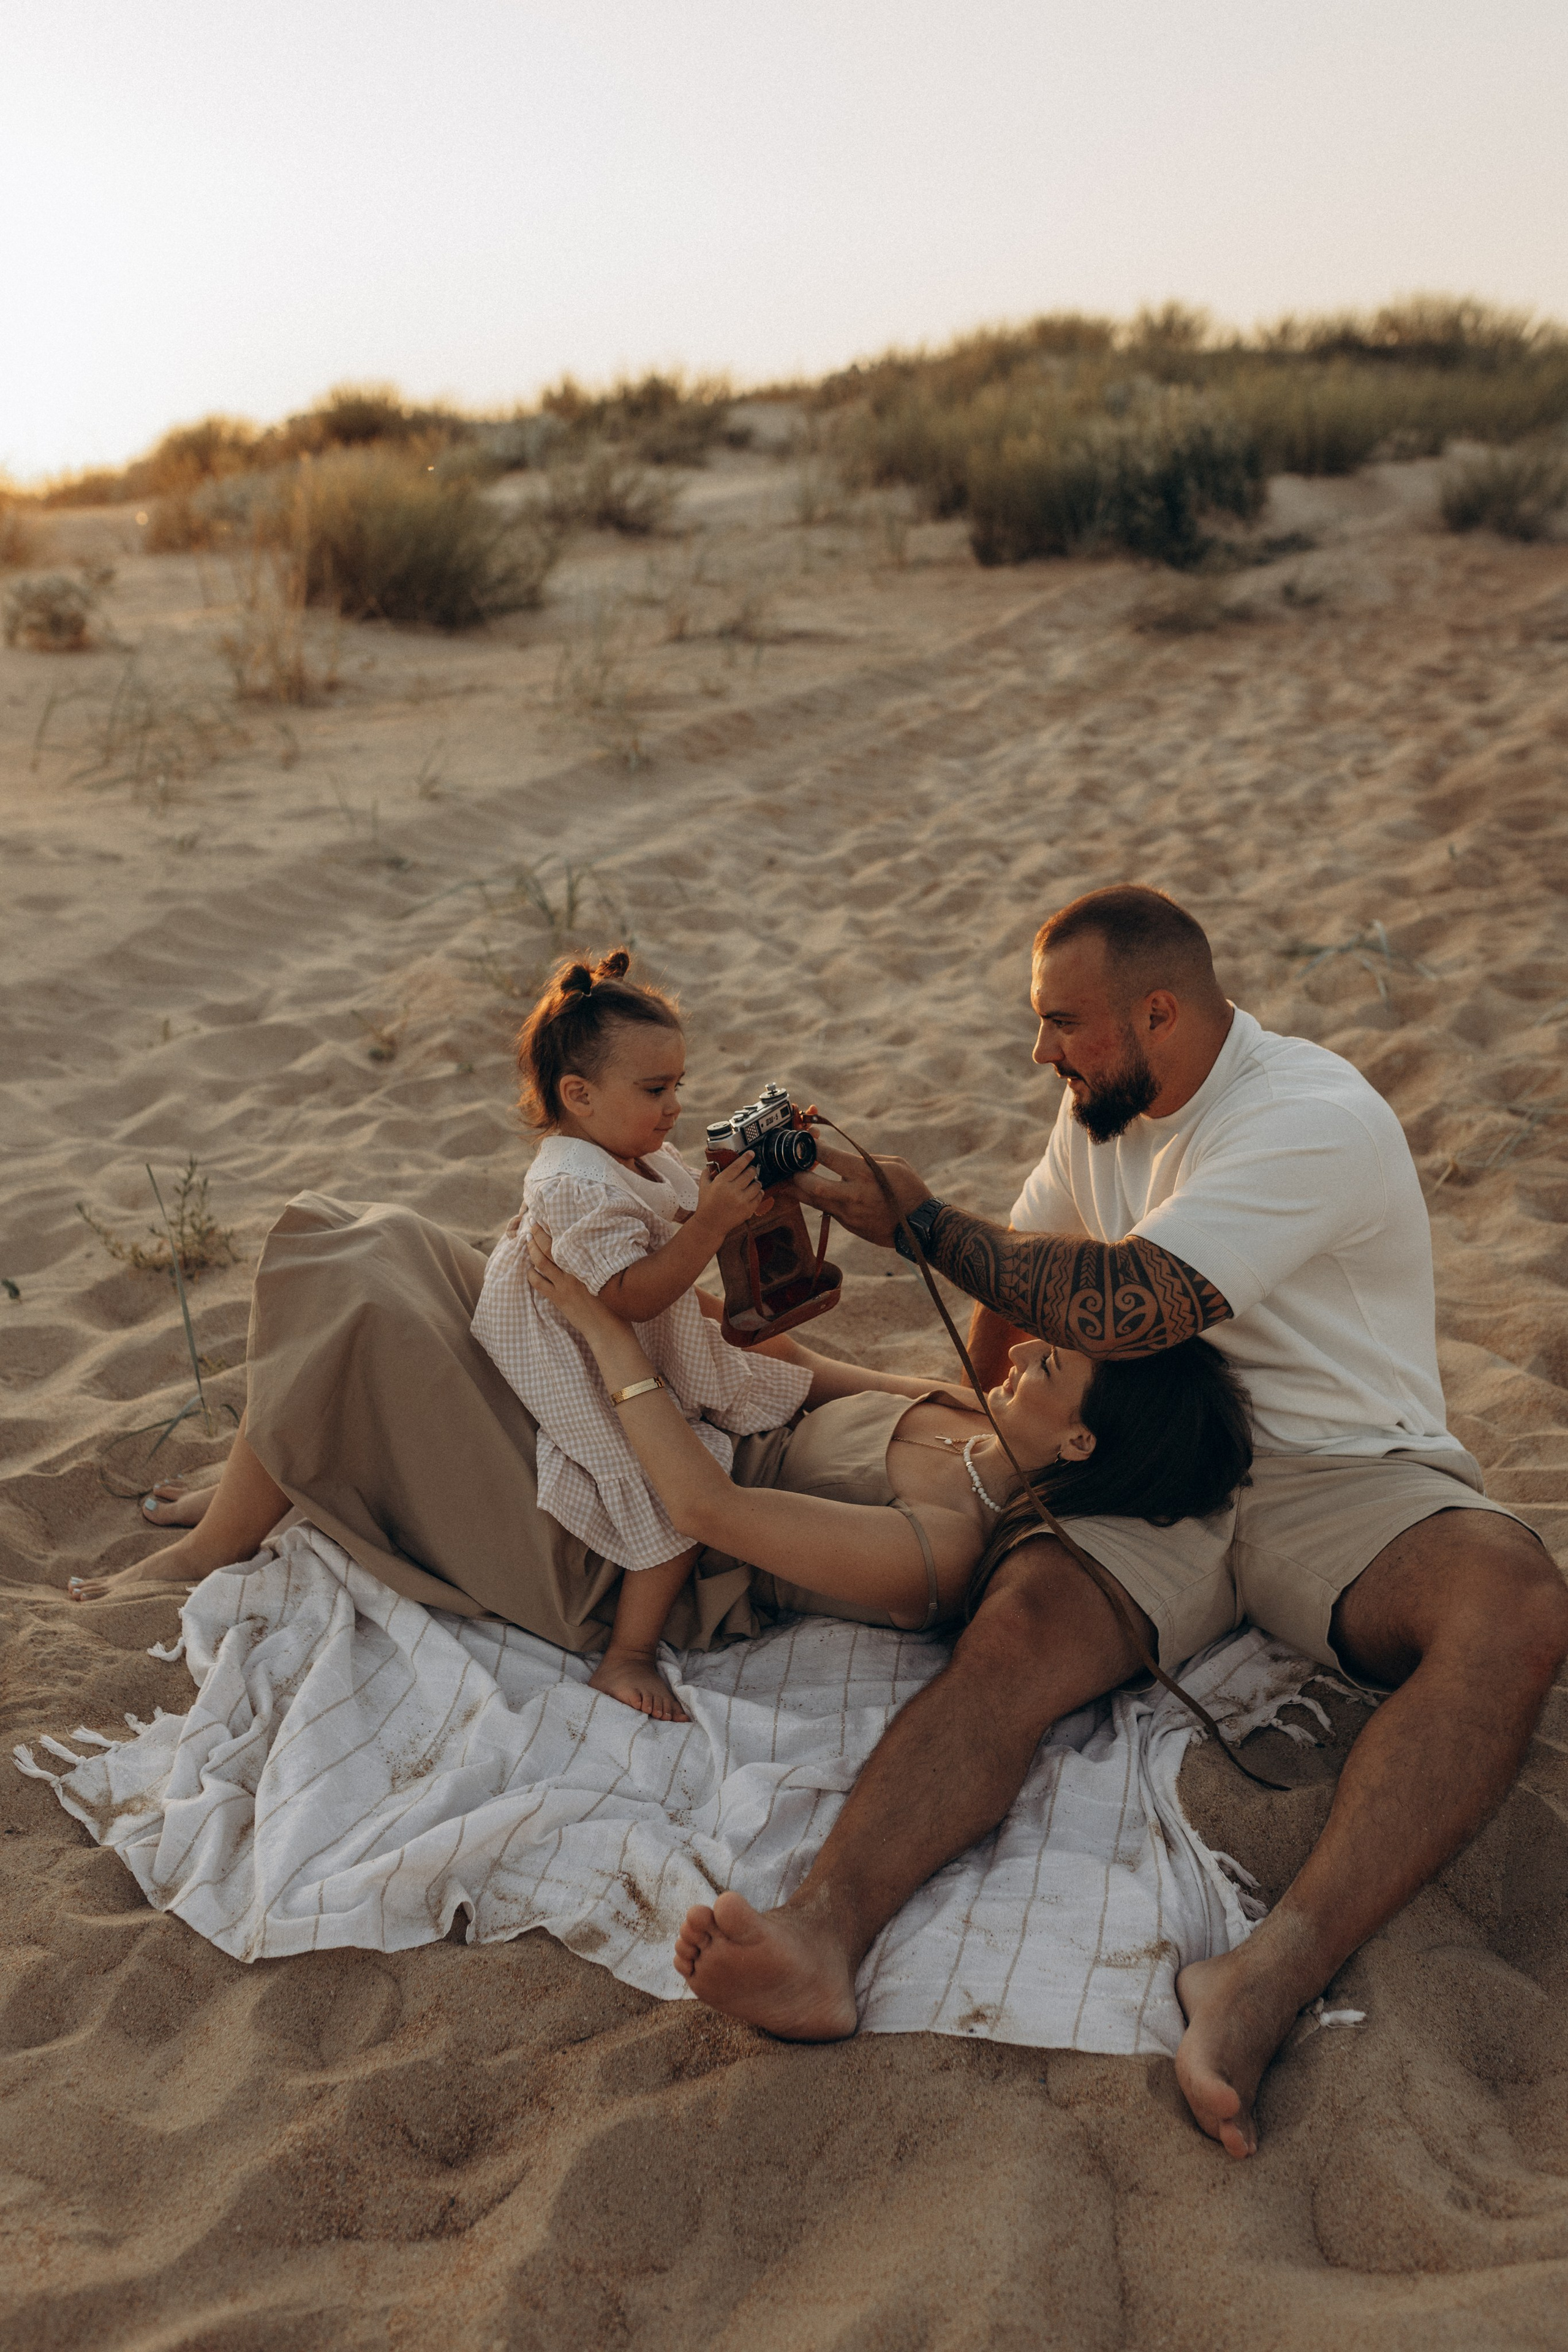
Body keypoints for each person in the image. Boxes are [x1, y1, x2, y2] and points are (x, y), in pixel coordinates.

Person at [666, 883, 1568, 2163]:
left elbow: (1132, 1298)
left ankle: (1265, 1974)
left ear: (1160, 1013)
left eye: (1063, 1023)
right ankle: (821, 1934)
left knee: (1514, 1603)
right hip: (1156, 1448)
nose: (1042, 1050)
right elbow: (1034, 1270)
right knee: (1021, 1626)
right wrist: (991, 1428)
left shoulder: (1306, 1118)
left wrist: (916, 1219)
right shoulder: (1101, 1101)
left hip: (1339, 1465)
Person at [471, 948, 806, 1722]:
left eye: (678, 1085)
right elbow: (632, 1296)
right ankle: (627, 1653)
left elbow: (677, 1220)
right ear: (579, 1096)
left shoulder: (636, 1152)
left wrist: (734, 1203)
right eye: (655, 1090)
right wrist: (711, 1225)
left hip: (622, 1343)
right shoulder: (572, 1185)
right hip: (573, 1356)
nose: (674, 1106)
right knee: (666, 1486)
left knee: (746, 1392)